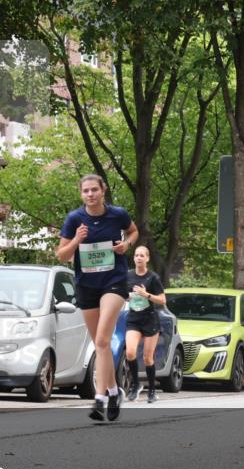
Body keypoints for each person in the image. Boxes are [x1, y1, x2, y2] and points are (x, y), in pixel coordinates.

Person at [56, 174, 138, 422]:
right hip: (86, 285)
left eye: (94, 190)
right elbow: (61, 255)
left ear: (103, 191)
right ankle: (114, 391)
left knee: (102, 339)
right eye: (85, 191)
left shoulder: (118, 214)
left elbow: (133, 231)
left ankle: (100, 398)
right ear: (81, 194)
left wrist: (127, 245)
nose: (90, 194)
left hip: (113, 282)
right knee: (100, 346)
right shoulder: (74, 219)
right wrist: (77, 240)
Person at [124, 246, 166, 404]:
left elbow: (162, 300)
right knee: (130, 352)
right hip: (134, 318)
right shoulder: (127, 275)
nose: (139, 258)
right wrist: (127, 297)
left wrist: (146, 295)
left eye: (142, 255)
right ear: (134, 258)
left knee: (148, 358)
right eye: (136, 255)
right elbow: (123, 293)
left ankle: (152, 391)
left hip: (150, 320)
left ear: (147, 258)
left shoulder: (152, 278)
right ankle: (135, 385)